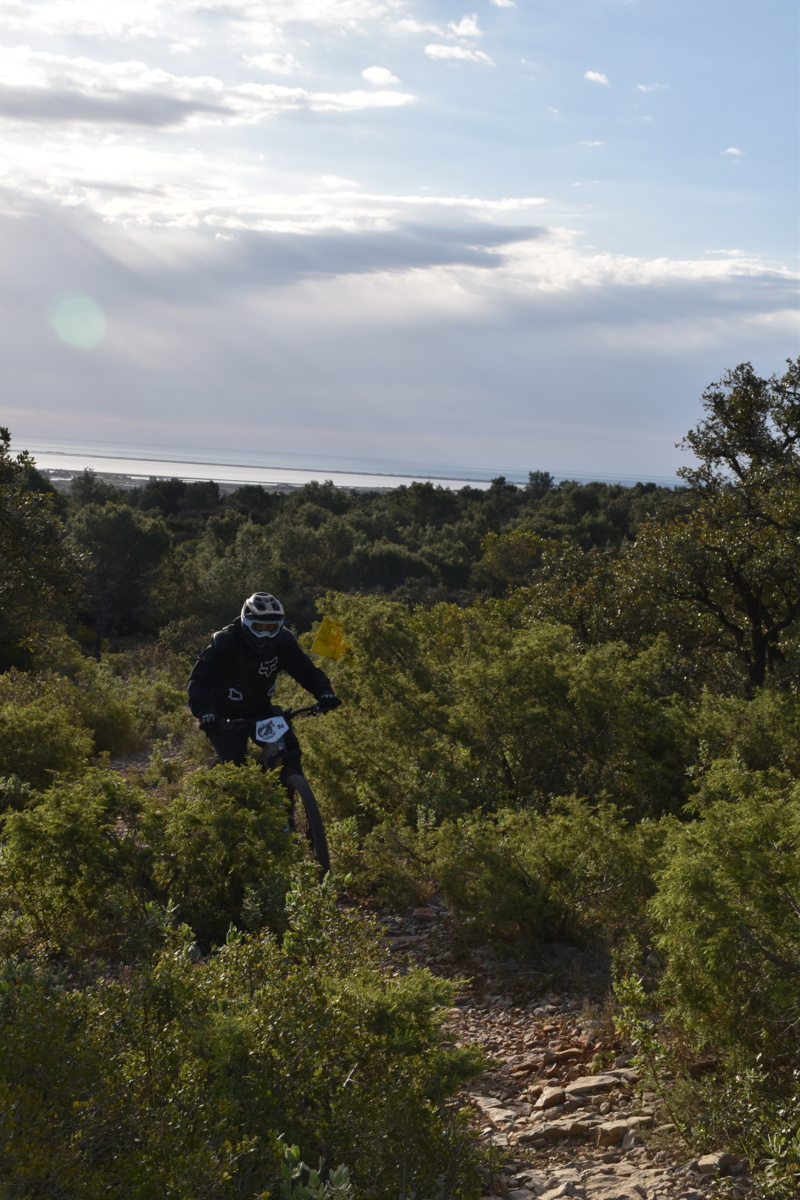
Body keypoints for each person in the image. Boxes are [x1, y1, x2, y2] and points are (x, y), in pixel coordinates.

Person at [188, 592, 341, 764]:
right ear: (247, 623)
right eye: (259, 627)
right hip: (223, 718)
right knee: (237, 767)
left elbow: (308, 672)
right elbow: (198, 681)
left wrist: (325, 693)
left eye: (271, 627)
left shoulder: (284, 644)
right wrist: (205, 713)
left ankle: (288, 778)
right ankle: (220, 772)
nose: (265, 633)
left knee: (291, 753)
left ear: (280, 626)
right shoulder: (225, 644)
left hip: (261, 711)